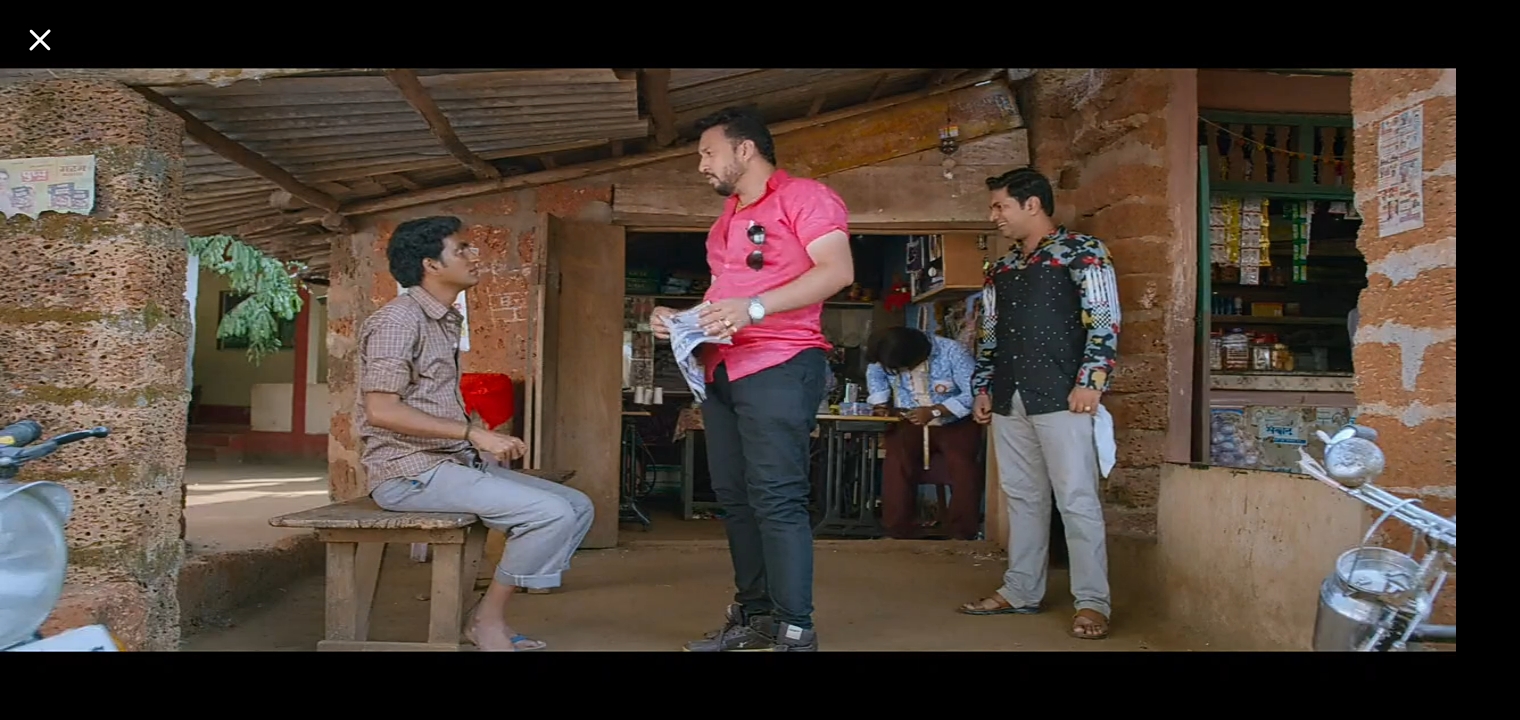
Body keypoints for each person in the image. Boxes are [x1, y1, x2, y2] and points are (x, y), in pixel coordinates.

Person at [649, 105, 854, 652]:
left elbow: (837, 271)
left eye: (707, 153)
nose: (701, 166)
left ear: (745, 149)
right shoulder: (726, 220)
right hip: (722, 368)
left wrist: (756, 308)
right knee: (735, 498)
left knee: (777, 498)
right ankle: (756, 616)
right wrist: (681, 318)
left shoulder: (805, 197)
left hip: (780, 364)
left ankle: (796, 629)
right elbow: (726, 298)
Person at [355, 215, 595, 652]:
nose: (474, 254)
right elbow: (381, 410)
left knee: (577, 506)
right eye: (461, 249)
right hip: (408, 473)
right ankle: (486, 621)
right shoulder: (398, 321)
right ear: (431, 264)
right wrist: (472, 434)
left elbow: (426, 399)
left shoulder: (443, 318)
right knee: (551, 514)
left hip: (448, 464)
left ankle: (483, 615)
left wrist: (472, 439)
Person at [961, 167, 1121, 641]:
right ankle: (1020, 589)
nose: (994, 216)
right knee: (1023, 498)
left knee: (1077, 500)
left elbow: (1105, 319)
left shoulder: (1083, 252)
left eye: (1000, 206)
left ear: (1032, 205)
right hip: (1010, 396)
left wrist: (1091, 381)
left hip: (1064, 394)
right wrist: (983, 386)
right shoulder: (1001, 268)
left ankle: (1092, 602)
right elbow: (989, 333)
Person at [863, 326, 984, 540]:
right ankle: (897, 530)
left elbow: (973, 393)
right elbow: (876, 374)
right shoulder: (885, 354)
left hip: (954, 420)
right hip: (909, 419)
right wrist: (880, 404)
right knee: (897, 461)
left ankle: (962, 534)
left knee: (963, 465)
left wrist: (936, 411)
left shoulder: (953, 352)